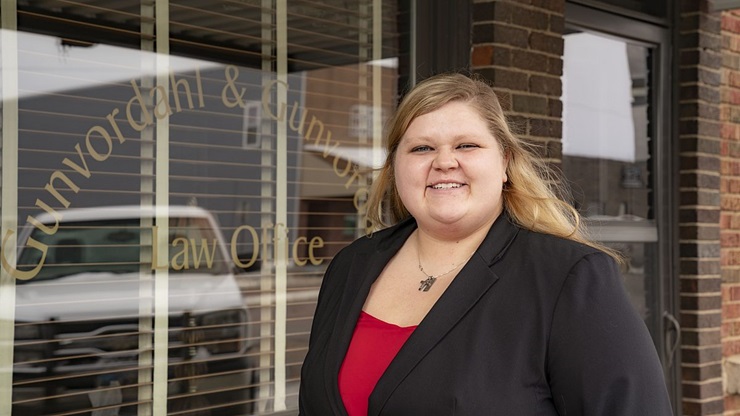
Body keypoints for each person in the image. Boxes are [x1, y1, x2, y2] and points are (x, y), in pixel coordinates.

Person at [298, 72, 673, 416]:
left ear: (505, 161)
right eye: (421, 149)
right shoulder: (352, 266)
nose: (444, 162)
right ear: (396, 165)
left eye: (467, 145)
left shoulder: (569, 279)